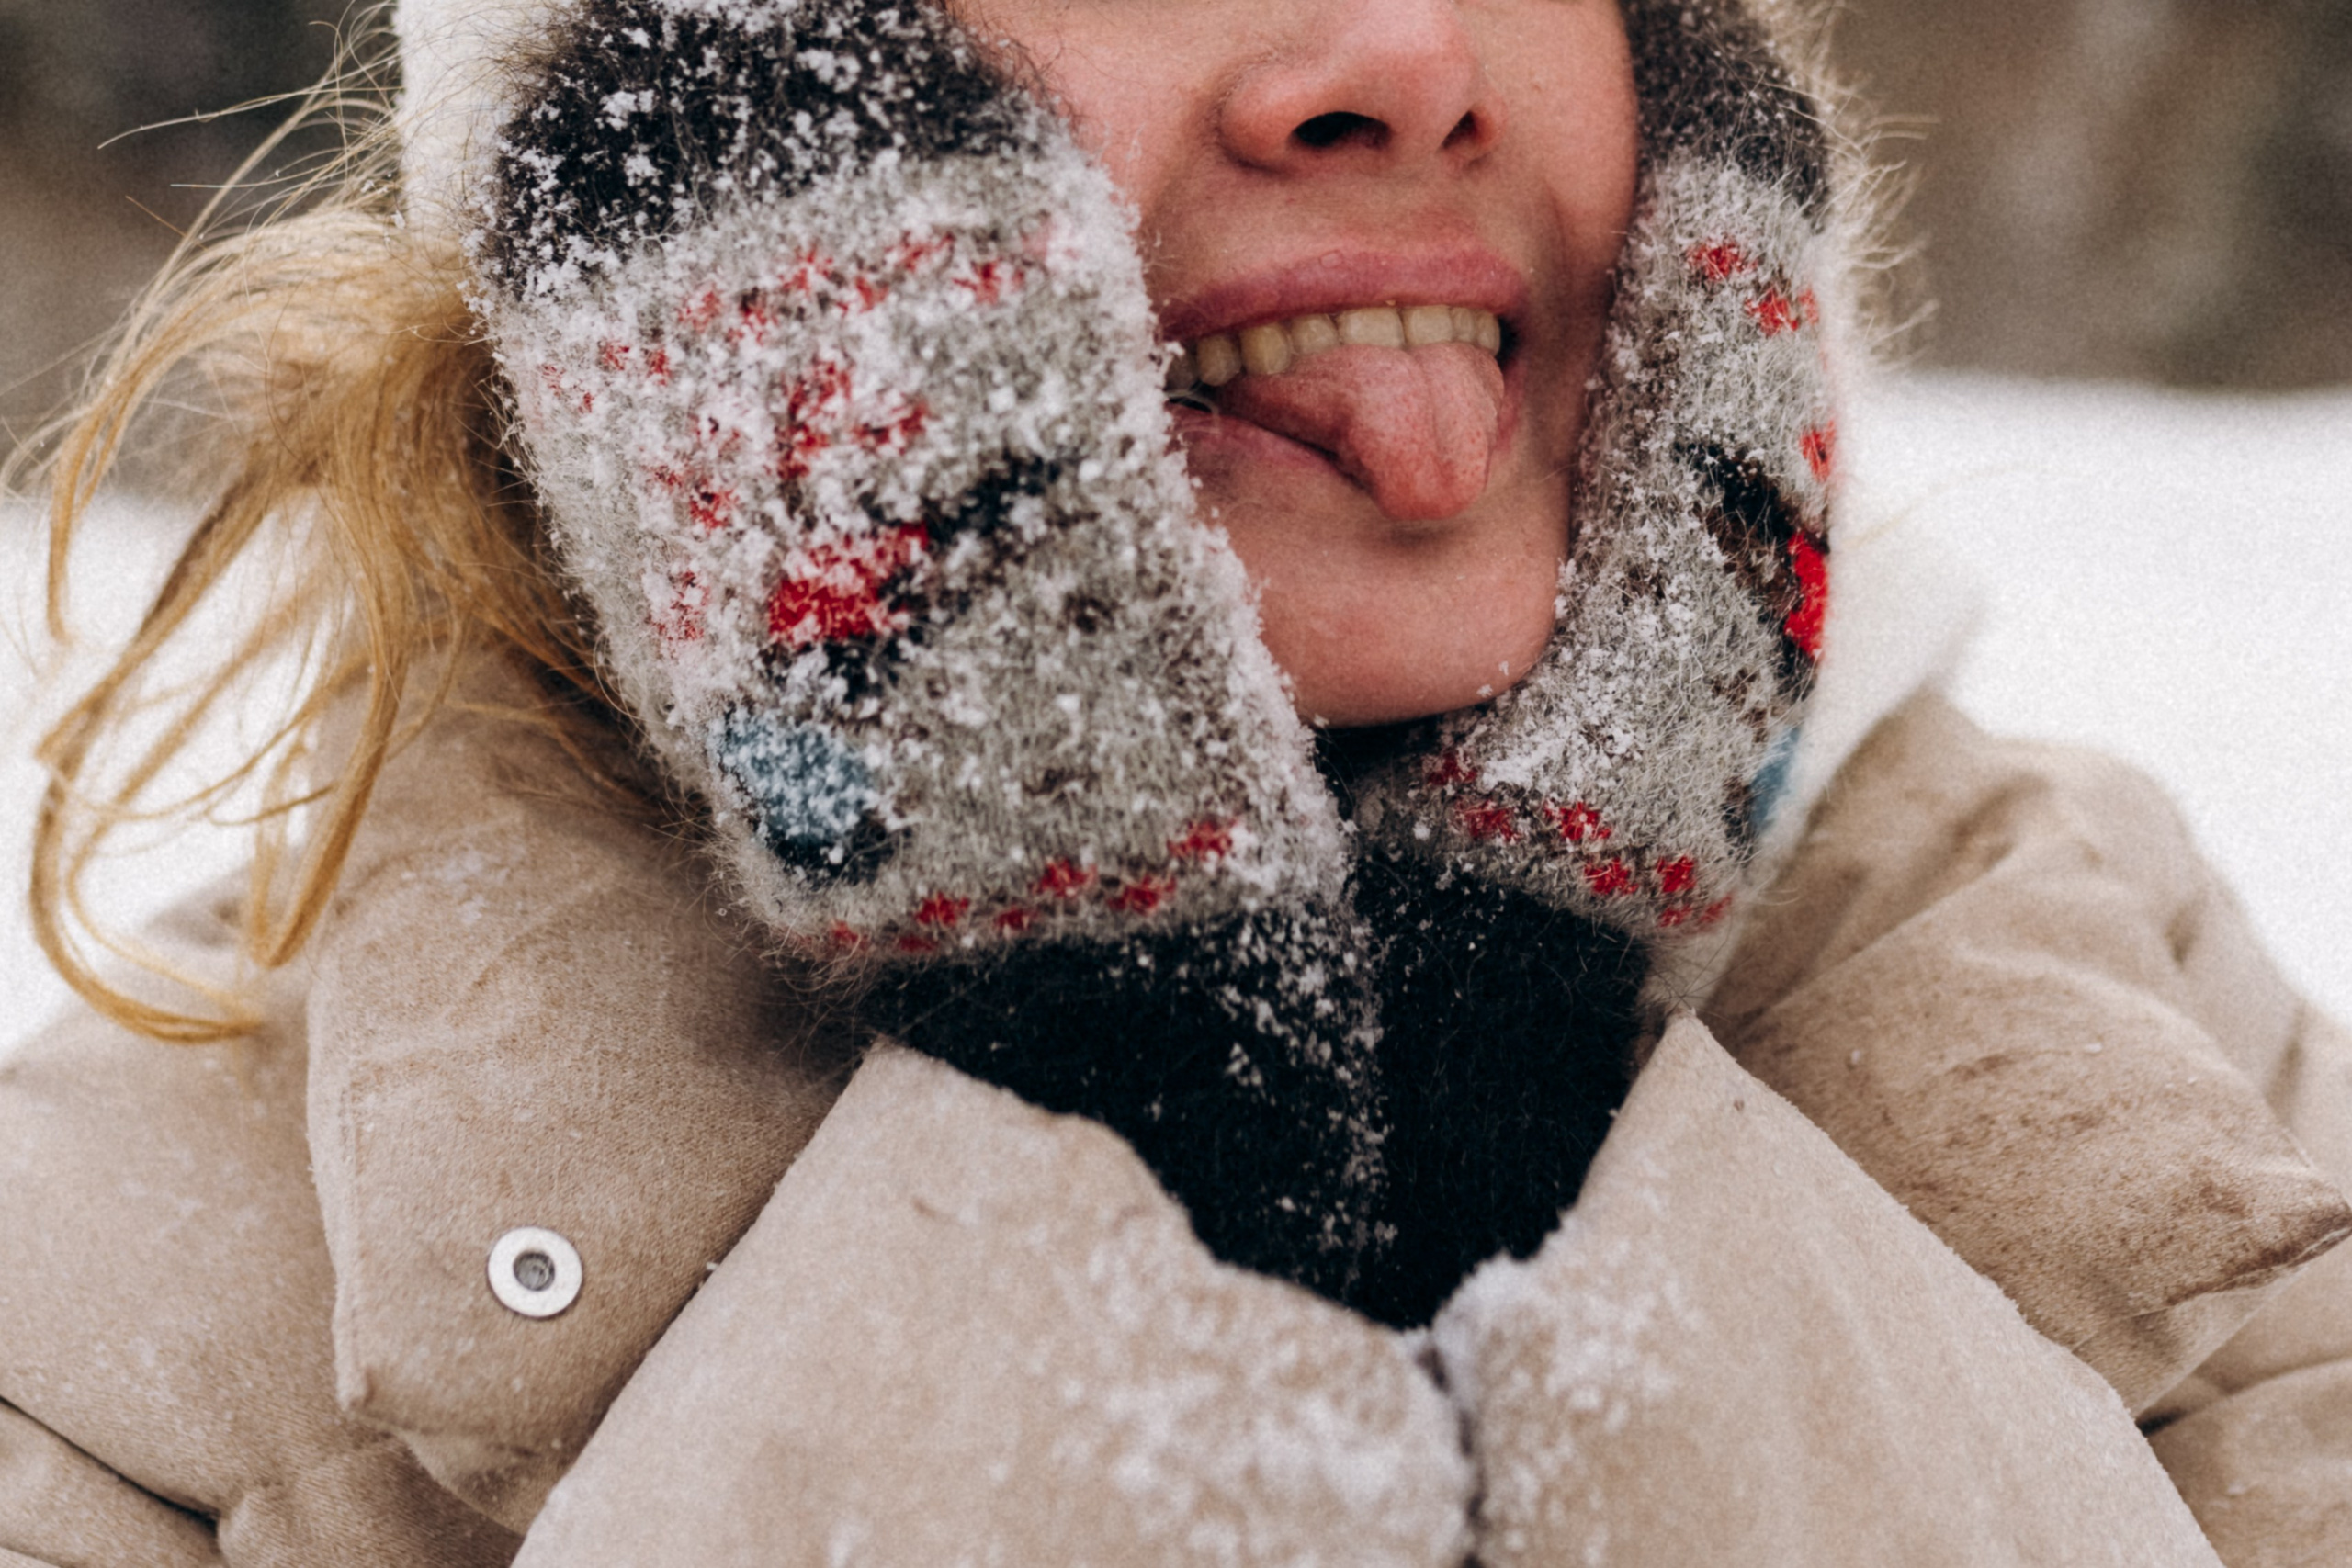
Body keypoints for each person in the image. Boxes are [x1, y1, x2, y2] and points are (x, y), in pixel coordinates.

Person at [4, 0, 2350, 1562]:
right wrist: (1123, 1086)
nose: (1408, 59)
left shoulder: (2118, 1010)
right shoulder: (91, 1336)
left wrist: (1521, 1037)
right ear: (707, 149)